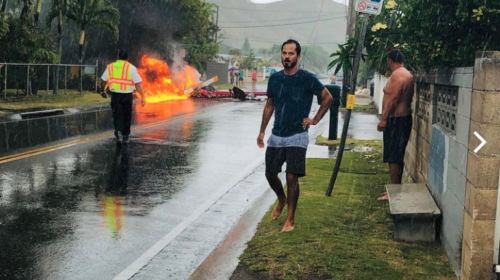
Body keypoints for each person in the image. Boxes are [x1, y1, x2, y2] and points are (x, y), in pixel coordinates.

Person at [257, 39, 333, 232]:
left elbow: (327, 97)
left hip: (298, 135)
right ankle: (281, 199)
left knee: (292, 176)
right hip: (277, 134)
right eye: (284, 53)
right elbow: (270, 105)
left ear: (298, 56)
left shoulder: (307, 78)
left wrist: (315, 119)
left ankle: (290, 219)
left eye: (291, 53)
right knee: (270, 173)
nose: (287, 57)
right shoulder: (275, 79)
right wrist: (262, 131)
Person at [376, 49, 414, 201]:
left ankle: (394, 192)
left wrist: (384, 119)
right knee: (396, 156)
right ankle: (395, 189)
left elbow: (393, 99)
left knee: (393, 157)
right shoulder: (407, 74)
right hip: (402, 119)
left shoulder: (398, 75)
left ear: (390, 61)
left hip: (396, 120)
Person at [100, 50, 146, 145]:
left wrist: (102, 90)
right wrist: (143, 96)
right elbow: (137, 83)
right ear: (127, 58)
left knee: (117, 114)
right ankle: (125, 135)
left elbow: (103, 80)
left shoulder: (111, 67)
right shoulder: (131, 68)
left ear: (118, 57)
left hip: (116, 95)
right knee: (127, 115)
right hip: (127, 95)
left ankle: (118, 132)